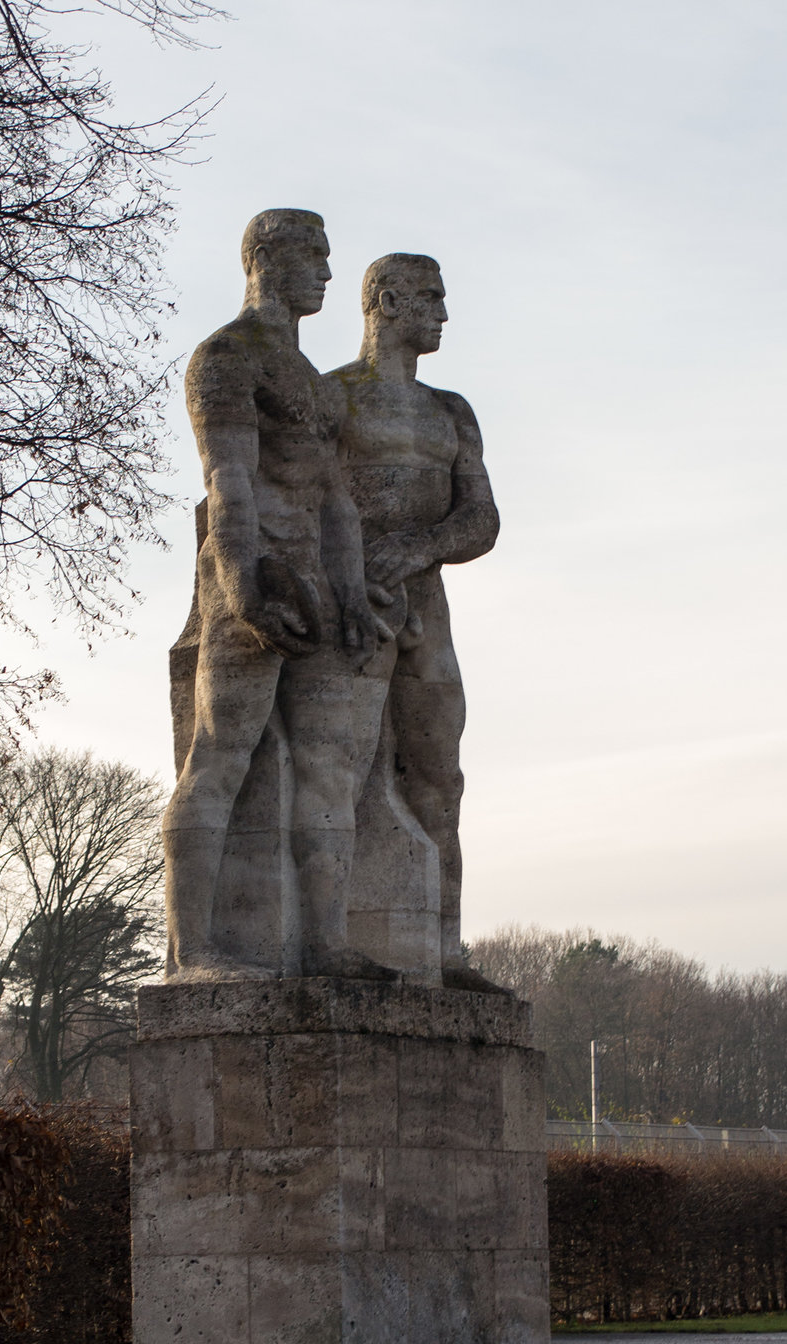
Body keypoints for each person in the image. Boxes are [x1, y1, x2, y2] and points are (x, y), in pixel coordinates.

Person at [161, 209, 396, 983]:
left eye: (329, 257)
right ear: (263, 258)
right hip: (253, 578)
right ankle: (193, 952)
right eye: (310, 256)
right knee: (219, 757)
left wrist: (353, 594)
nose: (326, 272)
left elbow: (334, 500)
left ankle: (322, 944)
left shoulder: (313, 385)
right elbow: (226, 480)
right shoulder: (226, 357)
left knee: (329, 774)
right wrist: (240, 582)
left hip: (321, 588)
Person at [328, 253, 509, 993]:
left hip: (424, 603)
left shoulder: (450, 411)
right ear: (386, 301)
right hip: (351, 596)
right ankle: (332, 940)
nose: (441, 313)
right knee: (338, 766)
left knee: (439, 774)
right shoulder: (334, 397)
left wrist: (420, 547)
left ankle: (444, 950)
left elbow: (482, 519)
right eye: (429, 298)